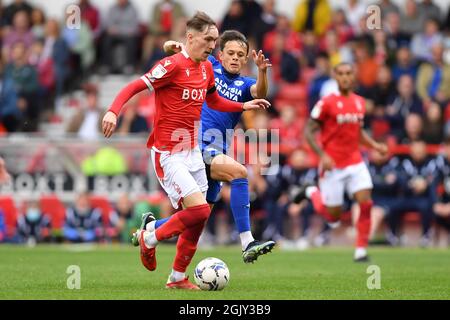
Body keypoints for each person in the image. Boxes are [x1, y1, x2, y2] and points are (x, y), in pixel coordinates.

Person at [102, 12, 270, 290]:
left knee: (198, 218)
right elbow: (135, 85)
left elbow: (215, 100)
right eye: (211, 41)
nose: (213, 47)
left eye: (214, 41)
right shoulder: (175, 66)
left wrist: (243, 106)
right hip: (170, 151)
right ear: (194, 39)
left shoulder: (207, 70)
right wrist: (112, 111)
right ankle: (151, 237)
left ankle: (176, 275)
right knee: (212, 199)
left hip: (192, 150)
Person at [142, 30, 276, 263]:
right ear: (220, 55)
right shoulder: (209, 65)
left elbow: (261, 93)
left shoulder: (246, 84)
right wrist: (171, 45)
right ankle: (247, 242)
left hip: (218, 149)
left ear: (246, 60)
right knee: (239, 172)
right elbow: (178, 51)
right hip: (195, 143)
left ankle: (151, 230)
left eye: (240, 55)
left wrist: (262, 72)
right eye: (231, 53)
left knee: (197, 217)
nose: (235, 57)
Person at [292, 63, 388, 262]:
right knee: (333, 217)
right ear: (335, 77)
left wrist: (374, 145)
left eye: (349, 73)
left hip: (355, 161)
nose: (345, 77)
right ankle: (311, 191)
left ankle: (360, 250)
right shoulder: (326, 103)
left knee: (366, 203)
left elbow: (357, 131)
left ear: (354, 76)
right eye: (341, 74)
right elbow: (308, 131)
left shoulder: (360, 102)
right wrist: (322, 155)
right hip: (332, 165)